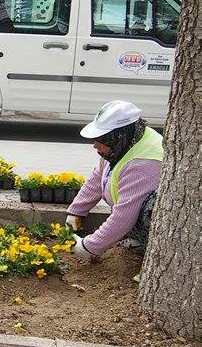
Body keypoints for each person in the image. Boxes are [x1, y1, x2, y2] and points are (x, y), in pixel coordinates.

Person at [66, 100, 163, 262]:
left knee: (148, 209)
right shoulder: (127, 143)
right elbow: (97, 177)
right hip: (133, 214)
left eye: (102, 139)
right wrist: (76, 212)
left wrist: (88, 247)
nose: (95, 145)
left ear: (119, 136)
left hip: (158, 224)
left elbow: (123, 217)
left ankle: (150, 251)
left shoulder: (142, 164)